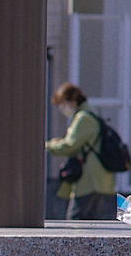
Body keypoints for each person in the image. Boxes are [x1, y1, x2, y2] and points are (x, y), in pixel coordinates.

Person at [45, 81, 117, 221]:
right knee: (90, 219)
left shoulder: (83, 117)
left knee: (75, 219)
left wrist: (47, 145)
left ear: (72, 100)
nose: (62, 108)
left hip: (89, 178)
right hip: (99, 178)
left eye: (62, 103)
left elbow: (70, 145)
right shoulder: (91, 112)